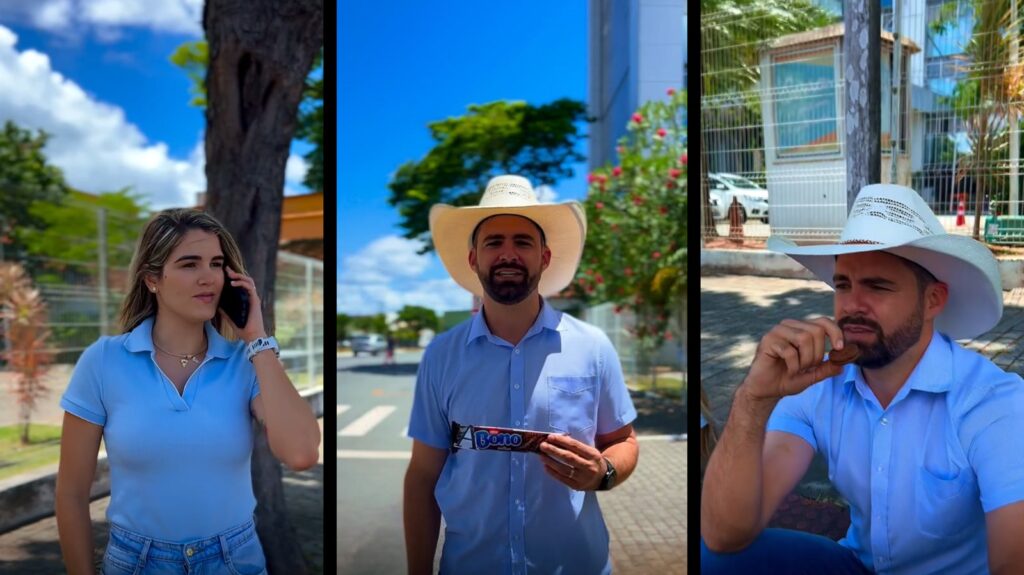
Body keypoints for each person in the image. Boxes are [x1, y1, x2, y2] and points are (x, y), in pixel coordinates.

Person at [701, 184, 1024, 574]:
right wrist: (754, 399)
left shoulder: (992, 402)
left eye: (878, 286)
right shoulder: (819, 382)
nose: (852, 306)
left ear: (933, 300)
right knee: (710, 558)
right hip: (857, 565)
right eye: (843, 285)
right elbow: (725, 535)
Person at [55, 209, 322, 575]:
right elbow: (71, 493)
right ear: (152, 279)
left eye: (216, 264)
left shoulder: (246, 363)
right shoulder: (103, 361)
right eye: (189, 264)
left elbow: (301, 453)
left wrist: (257, 338)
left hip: (234, 562)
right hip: (136, 564)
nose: (208, 277)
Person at [403, 175, 640, 574]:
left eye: (523, 242)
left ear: (544, 258)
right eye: (494, 242)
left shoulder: (593, 346)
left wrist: (604, 472)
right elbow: (423, 475)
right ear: (473, 259)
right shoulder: (441, 356)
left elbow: (623, 441)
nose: (508, 254)